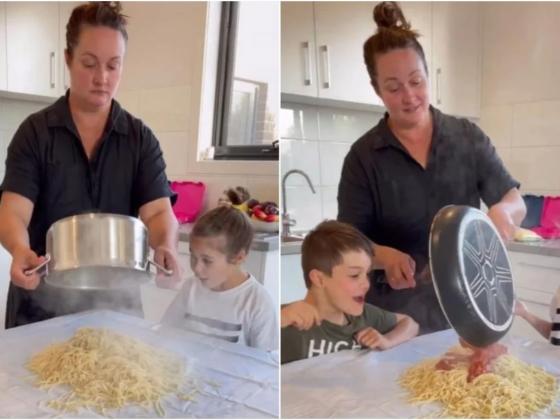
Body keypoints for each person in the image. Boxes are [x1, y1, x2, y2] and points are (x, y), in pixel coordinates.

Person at [336, 1, 527, 334]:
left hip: (468, 308)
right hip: (395, 320)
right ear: (377, 89)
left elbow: (513, 199)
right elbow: (349, 244)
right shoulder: (364, 157)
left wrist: (504, 213)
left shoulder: (467, 137)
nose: (409, 96)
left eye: (416, 81)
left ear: (428, 74)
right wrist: (383, 257)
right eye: (394, 87)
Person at [0, 2, 179, 328]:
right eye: (89, 63)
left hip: (118, 306)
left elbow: (157, 212)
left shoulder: (140, 139)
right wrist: (18, 248)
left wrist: (165, 244)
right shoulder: (35, 133)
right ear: (68, 58)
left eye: (113, 65)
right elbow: (13, 211)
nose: (102, 78)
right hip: (39, 306)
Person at [281, 220, 418, 364]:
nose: (366, 284)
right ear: (319, 279)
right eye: (354, 275)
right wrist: (281, 319)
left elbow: (410, 324)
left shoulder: (363, 317)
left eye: (367, 274)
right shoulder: (289, 320)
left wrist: (387, 341)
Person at [162, 206, 278, 352]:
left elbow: (266, 364)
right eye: (193, 256)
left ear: (238, 257)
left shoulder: (257, 303)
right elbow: (164, 332)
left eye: (207, 260)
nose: (196, 268)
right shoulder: (191, 288)